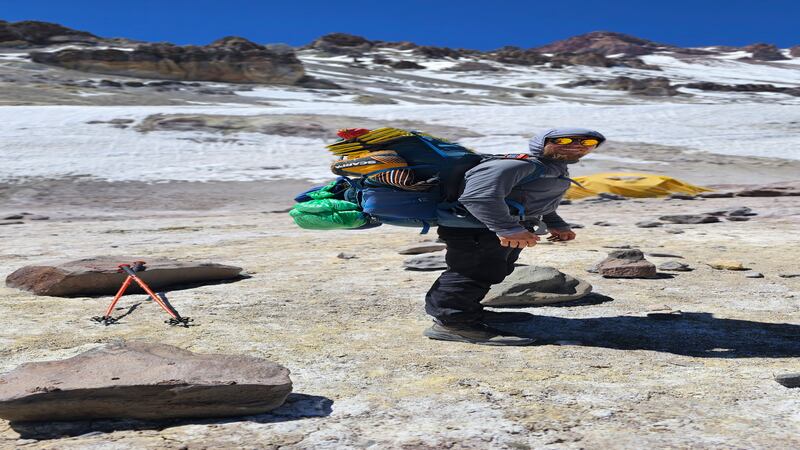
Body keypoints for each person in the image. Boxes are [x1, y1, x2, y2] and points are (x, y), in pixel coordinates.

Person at [423, 128, 606, 346]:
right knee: (471, 273)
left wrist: (557, 224)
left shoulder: (552, 169)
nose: (577, 145)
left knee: (493, 270)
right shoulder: (518, 165)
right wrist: (507, 229)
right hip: (476, 229)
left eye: (588, 142)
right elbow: (477, 197)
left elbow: (535, 201)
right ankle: (453, 324)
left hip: (495, 229)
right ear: (541, 143)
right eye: (564, 140)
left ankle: (468, 312)